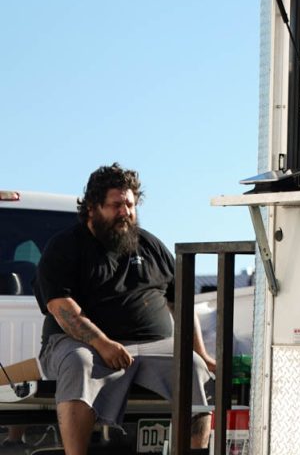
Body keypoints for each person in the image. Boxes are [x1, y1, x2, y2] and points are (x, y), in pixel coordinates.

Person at [34, 164, 216, 455]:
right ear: (92, 208)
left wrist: (202, 354)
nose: (125, 212)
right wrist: (101, 343)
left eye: (130, 204)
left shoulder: (151, 245)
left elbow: (181, 303)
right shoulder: (65, 246)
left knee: (193, 367)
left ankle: (194, 450)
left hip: (150, 347)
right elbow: (61, 307)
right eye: (116, 205)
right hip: (79, 343)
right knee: (80, 362)